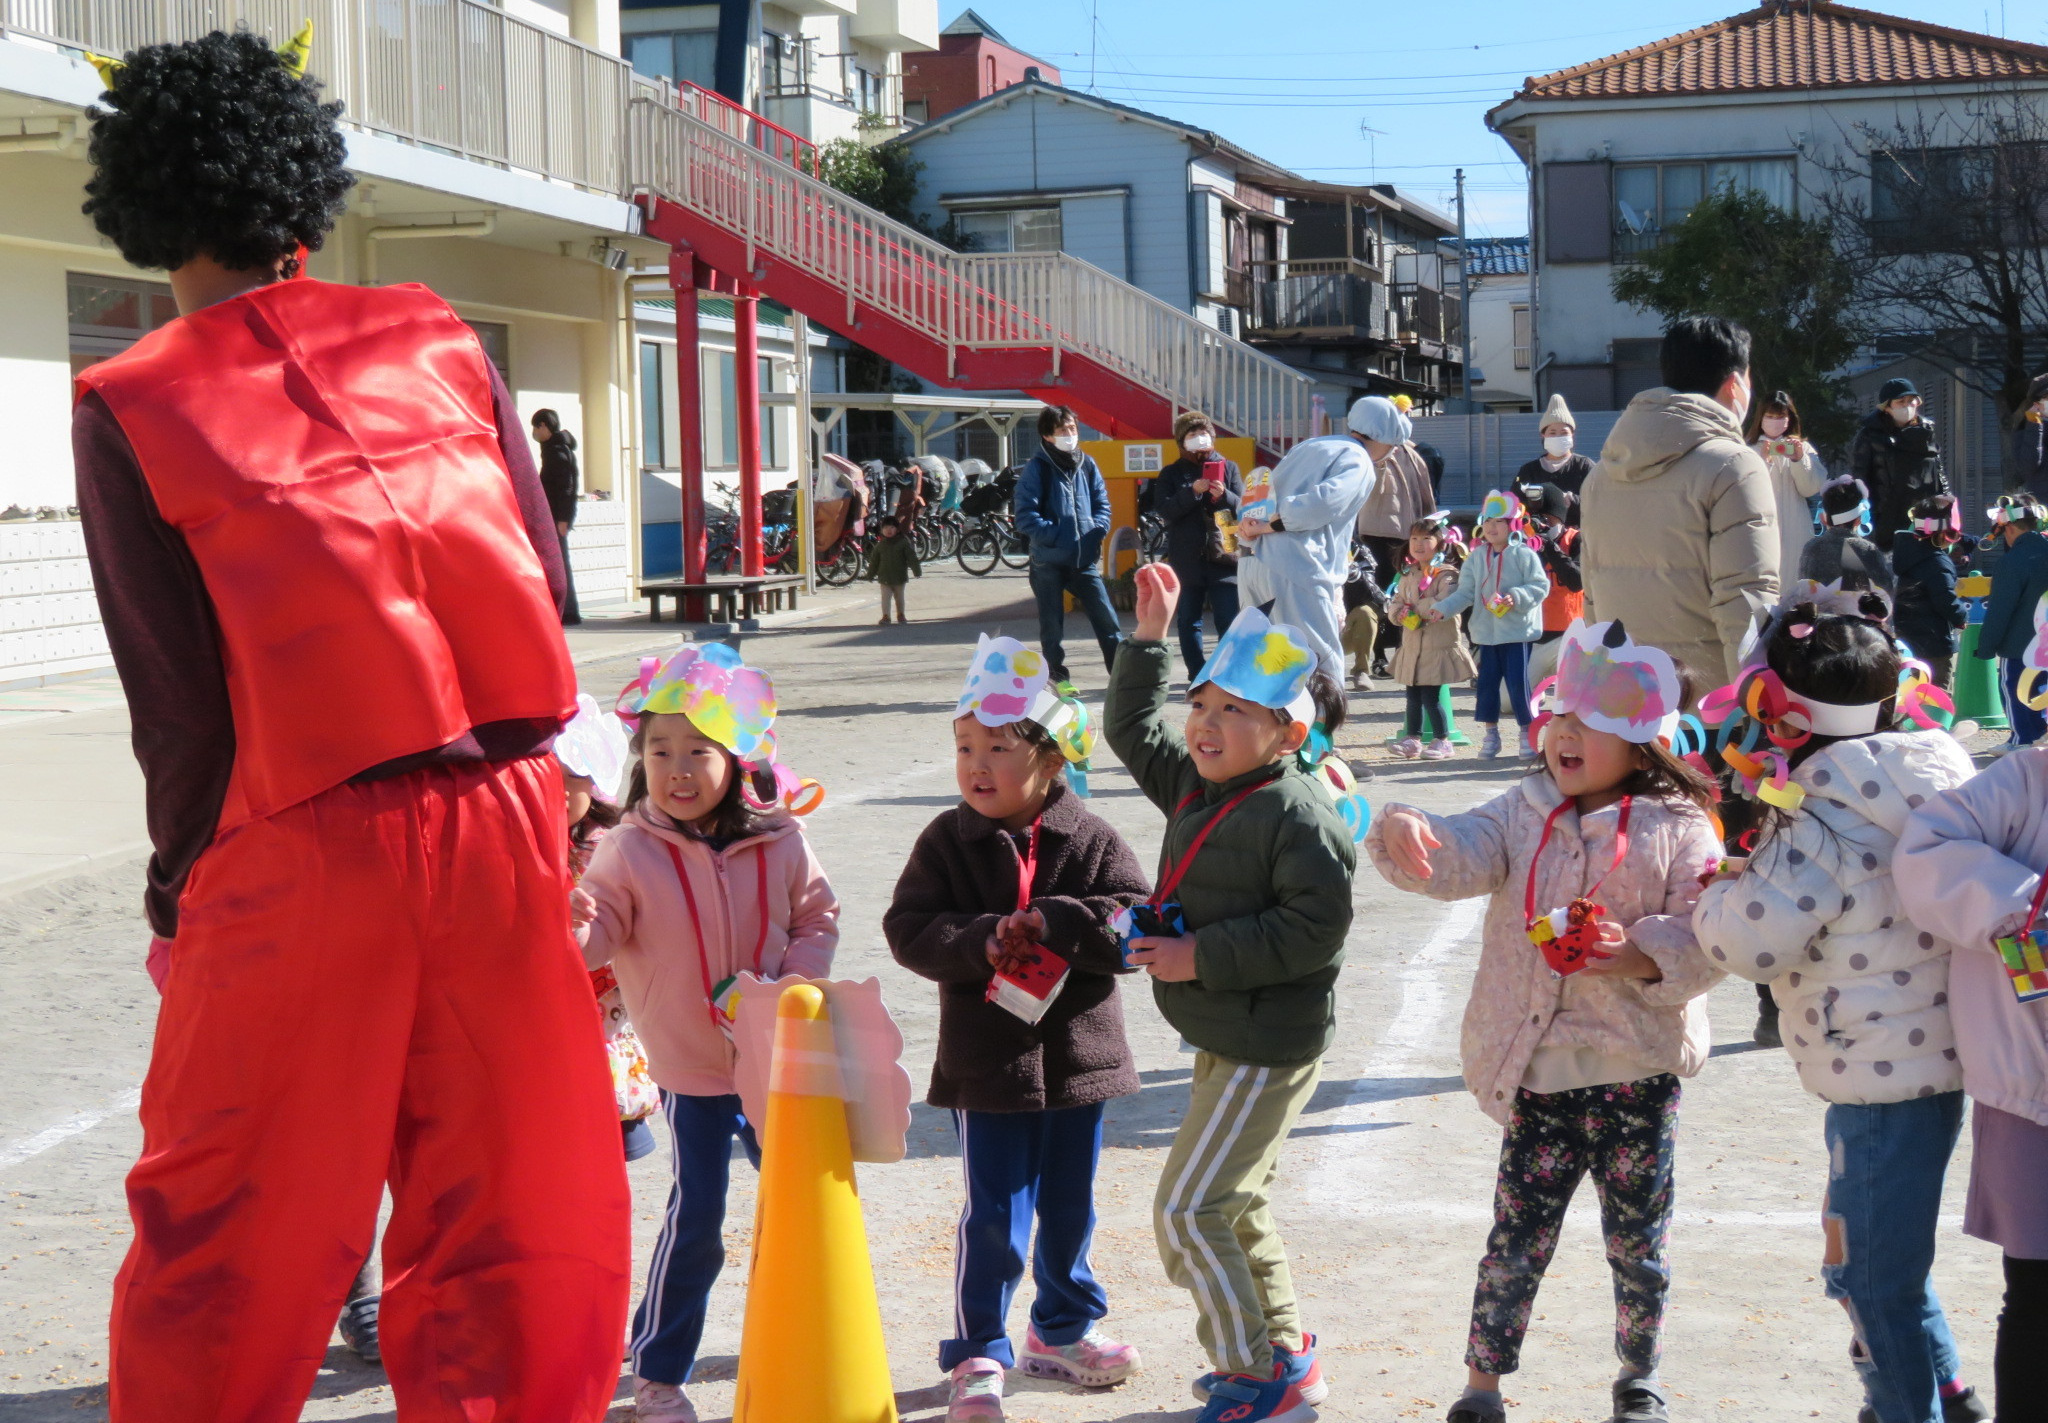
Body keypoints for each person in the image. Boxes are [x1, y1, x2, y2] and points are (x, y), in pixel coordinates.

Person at [71, 31, 630, 1420]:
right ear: (305, 190)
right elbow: (545, 585)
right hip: (507, 803)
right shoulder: (438, 333)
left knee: (235, 1220)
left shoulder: (129, 399)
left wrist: (175, 890)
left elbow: (180, 705)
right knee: (510, 1201)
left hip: (300, 832)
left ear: (138, 202)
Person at [1370, 619, 1724, 1423]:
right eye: (1560, 713)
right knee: (1515, 1239)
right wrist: (1408, 832)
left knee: (1638, 1244)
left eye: (1591, 722)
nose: (1566, 732)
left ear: (1641, 743)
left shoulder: (1681, 824)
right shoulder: (1523, 806)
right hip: (1537, 1077)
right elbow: (1465, 847)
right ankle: (1482, 1385)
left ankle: (1639, 1375)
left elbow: (1711, 933)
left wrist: (1634, 952)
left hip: (1636, 1077)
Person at [1693, 607, 1983, 1423]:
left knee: (1864, 1274)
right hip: (1935, 1055)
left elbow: (1753, 943)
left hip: (1874, 1075)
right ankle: (1950, 1392)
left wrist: (1715, 895)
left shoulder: (1816, 816)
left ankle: (1906, 1409)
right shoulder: (1935, 773)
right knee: (1889, 1257)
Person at [1107, 566, 1356, 1423]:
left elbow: (1312, 929)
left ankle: (1251, 1371)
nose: (1206, 724)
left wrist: (1197, 954)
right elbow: (1132, 726)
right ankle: (1284, 1355)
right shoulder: (1197, 782)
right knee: (1233, 1199)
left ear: (1287, 734)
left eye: (1234, 711)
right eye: (1203, 703)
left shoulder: (1299, 815)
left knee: (1187, 1207)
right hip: (1228, 1032)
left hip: (1265, 1040)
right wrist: (1147, 639)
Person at [887, 637, 1149, 1423]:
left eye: (999, 747)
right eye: (965, 745)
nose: (977, 764)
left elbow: (1137, 920)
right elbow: (908, 927)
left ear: (1051, 757)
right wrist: (978, 939)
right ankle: (978, 1349)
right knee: (993, 1210)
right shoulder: (945, 839)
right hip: (987, 1063)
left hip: (1080, 1061)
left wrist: (1061, 920)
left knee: (1070, 1204)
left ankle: (1061, 1330)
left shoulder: (1092, 836)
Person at [577, 643, 840, 1423]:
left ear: (738, 756)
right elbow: (597, 939)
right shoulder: (626, 847)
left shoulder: (781, 837)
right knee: (696, 1221)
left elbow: (817, 914)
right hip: (689, 1070)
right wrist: (574, 928)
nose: (676, 767)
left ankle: (810, 1344)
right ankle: (657, 1370)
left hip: (777, 1063)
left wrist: (794, 980)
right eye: (659, 749)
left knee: (800, 1211)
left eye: (697, 748)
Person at [1895, 614, 2048, 1423]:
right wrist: (2020, 903)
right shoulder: (2024, 781)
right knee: (2036, 1290)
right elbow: (1926, 846)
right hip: (2032, 1090)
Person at [1580, 316, 1779, 689]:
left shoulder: (1600, 475)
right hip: (1709, 705)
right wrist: (1755, 706)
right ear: (1736, 383)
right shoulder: (1735, 466)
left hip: (1628, 701)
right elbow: (1746, 601)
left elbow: (1592, 599)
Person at [1235, 396, 1388, 678]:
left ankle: (1274, 722)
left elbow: (1262, 493)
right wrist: (1272, 525)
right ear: (1385, 439)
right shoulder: (1359, 460)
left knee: (1266, 663)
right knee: (1317, 662)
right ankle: (1320, 722)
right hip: (1298, 566)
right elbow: (1323, 504)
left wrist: (1254, 526)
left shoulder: (1310, 445)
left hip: (1254, 562)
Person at [1433, 490, 1550, 760]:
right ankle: (1491, 735)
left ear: (1513, 524)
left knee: (1518, 685)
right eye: (1487, 521)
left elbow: (1540, 586)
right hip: (1486, 634)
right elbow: (1465, 592)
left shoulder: (1523, 554)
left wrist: (1517, 596)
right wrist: (1443, 609)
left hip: (1516, 632)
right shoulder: (1476, 557)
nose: (1491, 527)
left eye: (1498, 521)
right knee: (1486, 686)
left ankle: (1526, 734)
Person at [1014, 405, 1123, 685]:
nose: (1070, 434)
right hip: (1048, 560)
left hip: (1083, 560)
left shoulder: (1087, 464)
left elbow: (1102, 504)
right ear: (1048, 435)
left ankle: (1122, 677)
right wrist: (1057, 536)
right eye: (1063, 430)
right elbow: (1025, 516)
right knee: (1052, 627)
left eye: (1073, 428)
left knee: (1107, 619)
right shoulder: (1037, 468)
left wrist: (1097, 530)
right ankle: (1057, 679)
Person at [1152, 410, 1245, 677]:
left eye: (1204, 433)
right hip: (1187, 559)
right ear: (1182, 442)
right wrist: (1192, 492)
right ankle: (1197, 674)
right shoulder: (1171, 473)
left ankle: (1228, 674)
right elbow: (1166, 510)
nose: (1200, 438)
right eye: (1192, 434)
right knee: (1188, 621)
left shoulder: (1229, 468)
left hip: (1224, 557)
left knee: (1228, 620)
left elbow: (1245, 507)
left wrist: (1224, 494)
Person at [1388, 516, 1474, 761]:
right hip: (1413, 647)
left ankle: (1442, 740)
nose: (1419, 544)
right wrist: (1398, 613)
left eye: (1427, 538)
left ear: (1440, 542)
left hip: (1436, 648)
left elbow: (1446, 601)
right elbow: (1395, 603)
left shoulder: (1447, 574)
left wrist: (1413, 607)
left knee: (1431, 696)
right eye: (1414, 538)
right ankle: (1412, 739)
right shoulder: (1408, 573)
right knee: (1413, 696)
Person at [1977, 495, 2048, 751]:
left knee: (2017, 692)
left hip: (2020, 647)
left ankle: (2023, 741)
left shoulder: (2012, 561)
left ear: (2008, 526)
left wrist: (1985, 647)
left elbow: (2000, 610)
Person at [1851, 378, 1949, 553]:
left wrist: (1946, 507)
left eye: (1911, 401)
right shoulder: (1869, 435)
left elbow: (1939, 473)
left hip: (1924, 518)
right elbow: (1860, 480)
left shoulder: (1927, 431)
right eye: (1900, 402)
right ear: (1887, 406)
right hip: (1885, 520)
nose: (1907, 406)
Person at [1750, 390, 1828, 581]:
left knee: (1796, 585)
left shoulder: (1803, 449)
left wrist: (1799, 460)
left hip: (1796, 531)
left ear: (1789, 418)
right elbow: (1748, 493)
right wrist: (1764, 462)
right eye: (1769, 416)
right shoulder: (1748, 450)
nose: (1775, 421)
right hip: (1761, 532)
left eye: (1781, 417)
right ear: (1760, 417)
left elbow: (1811, 488)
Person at [1892, 494, 1968, 689]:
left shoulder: (1906, 555)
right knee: (1937, 697)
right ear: (1944, 533)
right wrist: (1960, 616)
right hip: (1935, 644)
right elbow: (1945, 599)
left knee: (1910, 696)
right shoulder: (1937, 562)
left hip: (1907, 640)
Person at [1520, 482, 1584, 687]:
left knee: (1572, 698)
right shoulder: (1523, 544)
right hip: (1533, 637)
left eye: (1547, 519)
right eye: (1535, 520)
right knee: (1507, 702)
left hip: (1568, 637)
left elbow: (1576, 582)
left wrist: (1549, 546)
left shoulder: (1576, 539)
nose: (1541, 525)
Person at [1800, 476, 1895, 600]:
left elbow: (1803, 588)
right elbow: (1885, 592)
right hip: (1860, 617)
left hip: (1818, 616)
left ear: (1823, 518)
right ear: (1859, 519)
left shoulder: (1811, 547)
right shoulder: (1867, 550)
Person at [533, 407, 583, 625]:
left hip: (556, 518)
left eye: (535, 427)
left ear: (544, 425)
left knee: (560, 564)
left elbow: (567, 487)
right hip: (553, 517)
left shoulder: (557, 451)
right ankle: (562, 610)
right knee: (558, 563)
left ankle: (568, 612)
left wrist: (563, 519)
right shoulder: (553, 448)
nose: (534, 432)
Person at [1514, 393, 1595, 515]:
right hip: (1537, 532)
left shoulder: (1584, 466)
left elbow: (1600, 500)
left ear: (1572, 434)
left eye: (1564, 432)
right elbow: (1515, 505)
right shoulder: (1529, 471)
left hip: (1578, 532)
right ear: (1543, 435)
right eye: (1552, 432)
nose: (1558, 436)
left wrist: (1573, 501)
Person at [1340, 537, 1389, 692]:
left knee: (1365, 612)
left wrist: (1352, 571)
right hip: (1311, 625)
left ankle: (1361, 671)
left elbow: (1370, 593)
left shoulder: (1356, 549)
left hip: (1344, 626)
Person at [870, 513, 921, 624]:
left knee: (899, 598)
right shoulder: (880, 545)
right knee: (885, 598)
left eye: (892, 527)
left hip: (899, 577)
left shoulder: (903, 543)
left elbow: (911, 558)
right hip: (884, 577)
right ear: (881, 530)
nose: (889, 530)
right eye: (886, 528)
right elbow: (874, 562)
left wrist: (916, 570)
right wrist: (870, 574)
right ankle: (886, 616)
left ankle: (901, 614)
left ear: (897, 529)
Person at [2009, 371, 2048, 509]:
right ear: (2036, 403)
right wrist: (2034, 423)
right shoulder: (2024, 428)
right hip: (2042, 510)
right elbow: (2028, 467)